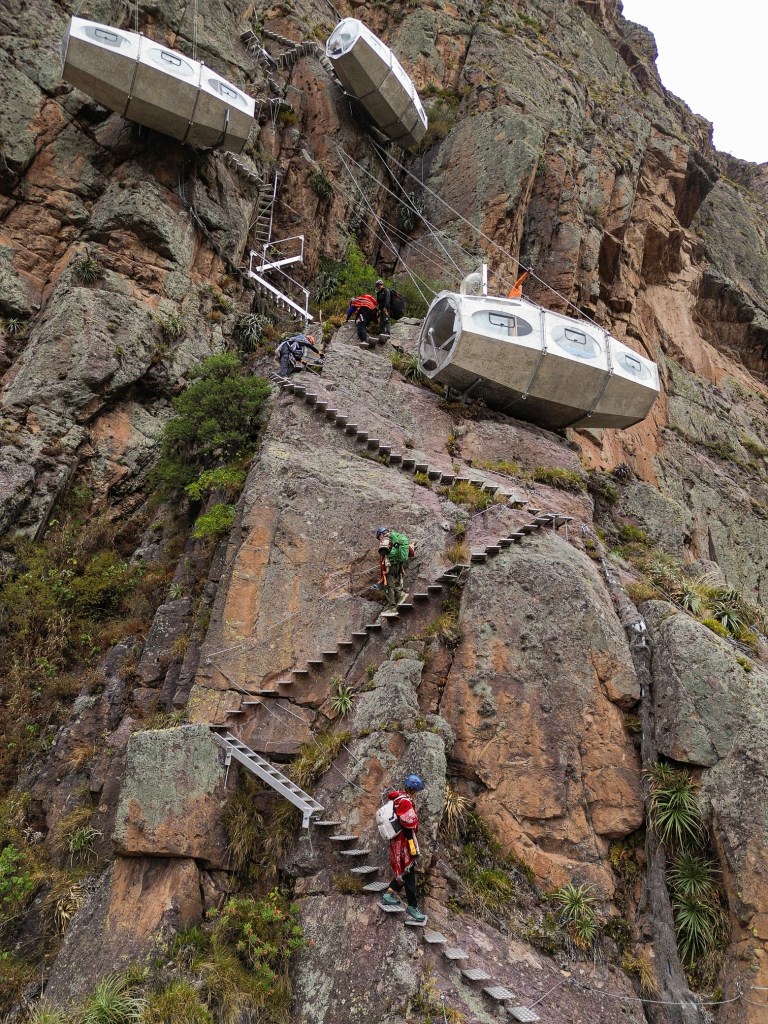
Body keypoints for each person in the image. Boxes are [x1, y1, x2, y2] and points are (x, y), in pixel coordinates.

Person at [379, 774, 427, 925]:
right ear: (414, 789)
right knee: (409, 871)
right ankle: (413, 907)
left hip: (396, 839)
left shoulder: (398, 797)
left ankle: (389, 894)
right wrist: (412, 846)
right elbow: (408, 825)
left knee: (405, 871)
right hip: (404, 841)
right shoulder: (406, 801)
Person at [376, 526, 411, 609]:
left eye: (379, 537)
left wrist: (386, 553)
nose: (380, 539)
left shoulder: (388, 538)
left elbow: (393, 548)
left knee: (388, 585)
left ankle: (392, 605)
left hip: (392, 565)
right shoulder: (393, 536)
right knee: (389, 584)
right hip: (397, 565)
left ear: (381, 534)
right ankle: (398, 596)